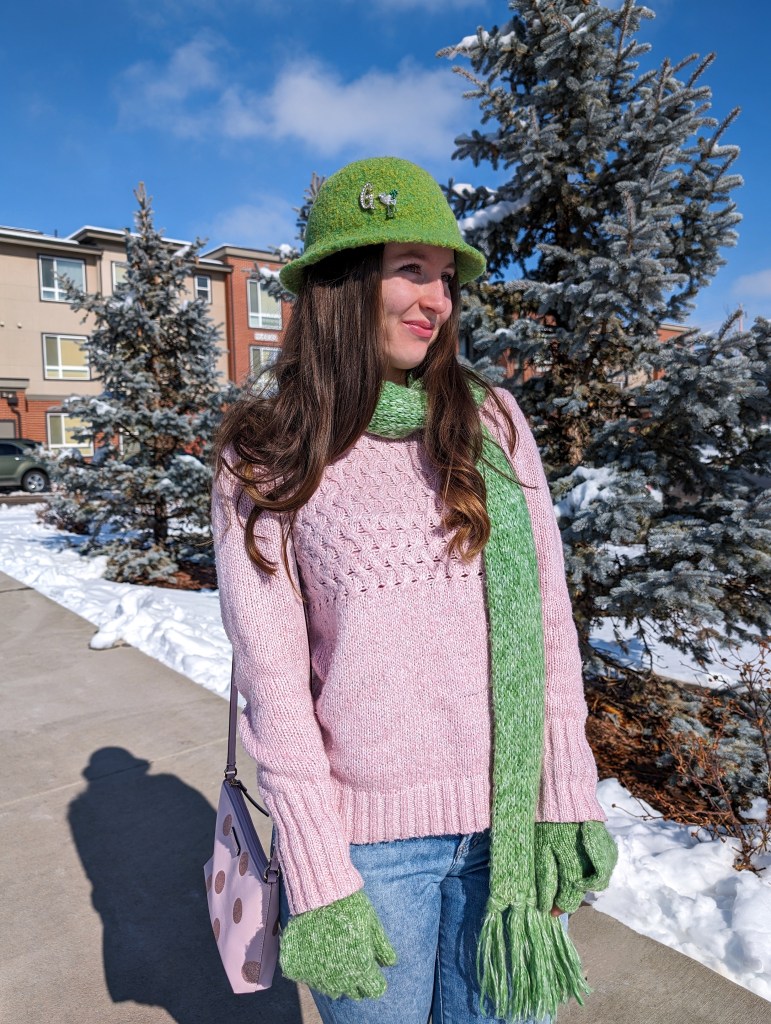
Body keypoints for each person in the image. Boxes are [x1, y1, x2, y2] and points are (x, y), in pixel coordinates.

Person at [210, 156, 618, 1024]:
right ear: (342, 284)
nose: (435, 300)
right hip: (367, 853)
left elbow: (550, 630)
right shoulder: (267, 454)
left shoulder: (493, 421)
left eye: (444, 279)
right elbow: (275, 692)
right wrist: (321, 880)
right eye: (409, 271)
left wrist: (565, 803)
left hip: (506, 834)